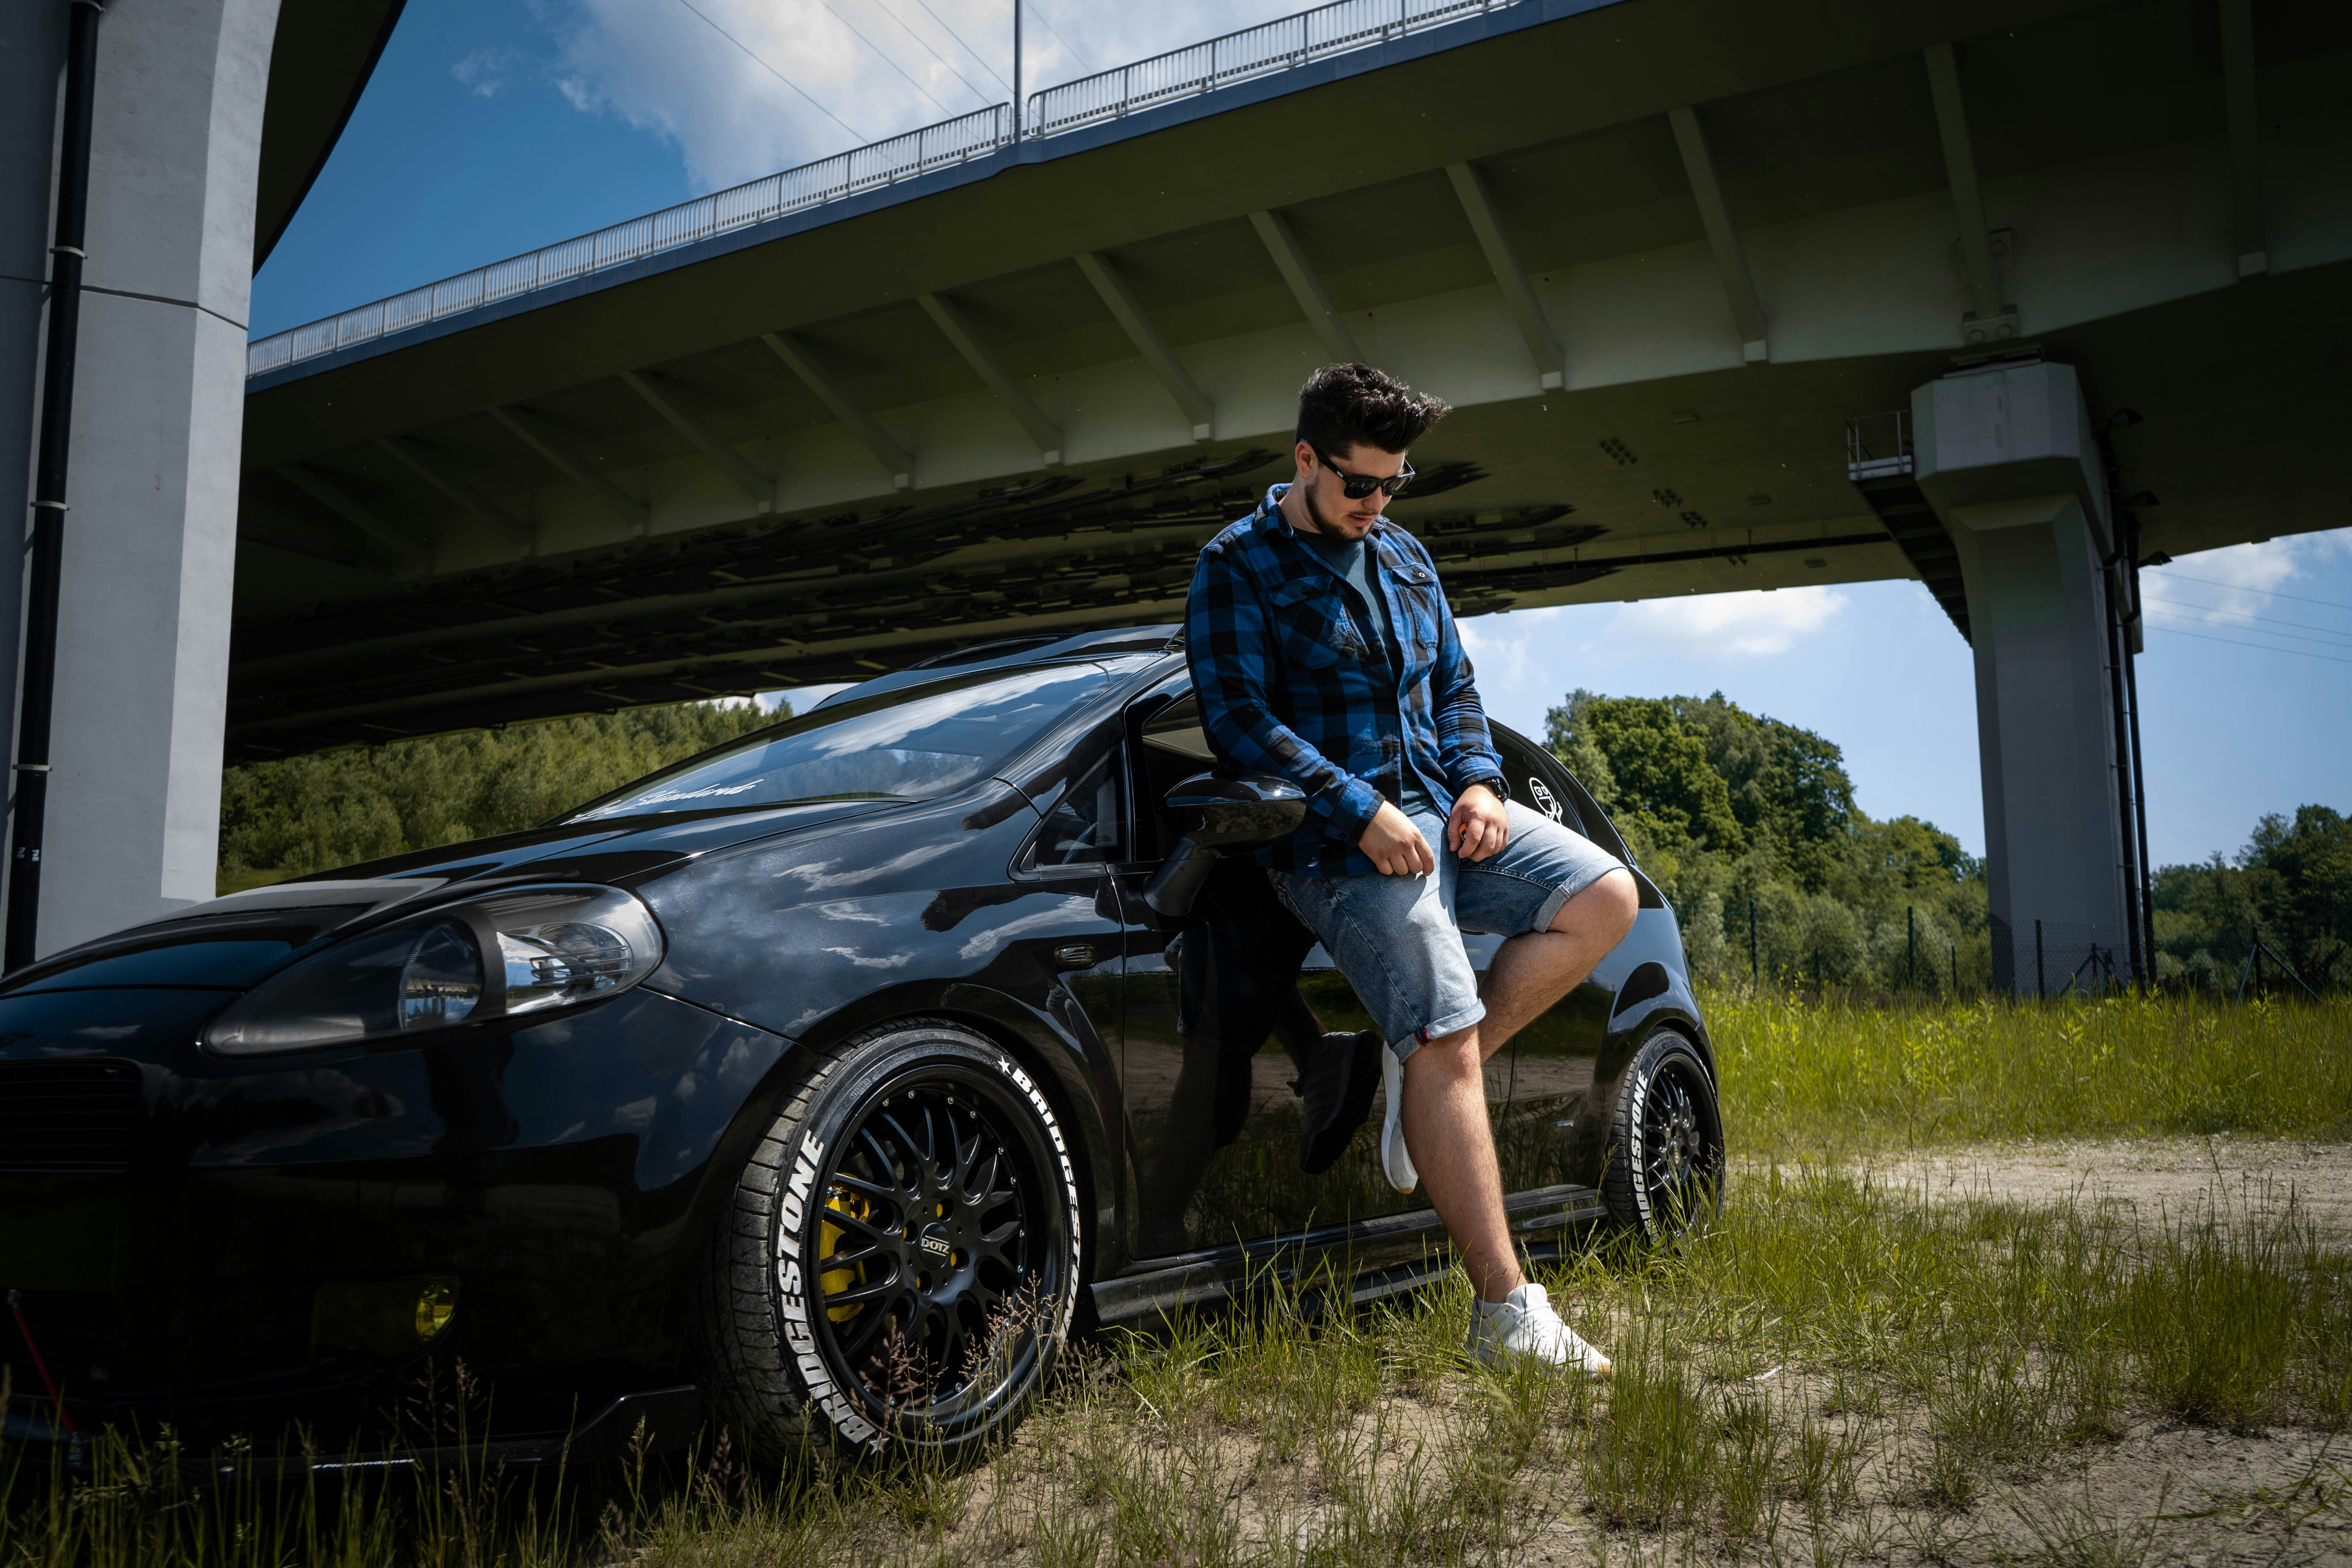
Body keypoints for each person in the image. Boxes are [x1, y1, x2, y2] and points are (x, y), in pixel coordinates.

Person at [1185, 363, 1639, 1374]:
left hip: (1449, 818)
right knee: (1447, 1027)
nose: (1377, 503)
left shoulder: (1406, 559)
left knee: (1607, 895)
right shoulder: (1237, 567)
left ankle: (1414, 1075)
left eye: (1396, 483)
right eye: (1359, 484)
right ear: (1306, 460)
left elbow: (1458, 688)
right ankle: (1506, 1314)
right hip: (1331, 850)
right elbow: (1238, 724)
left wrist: (1479, 782)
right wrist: (1361, 810)